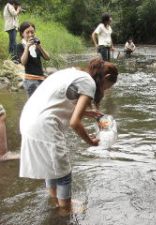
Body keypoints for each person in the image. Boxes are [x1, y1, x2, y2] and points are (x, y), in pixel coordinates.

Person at [19, 57, 118, 211]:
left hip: (29, 120)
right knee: (64, 172)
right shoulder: (89, 83)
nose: (105, 90)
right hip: (44, 126)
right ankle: (65, 209)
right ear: (106, 78)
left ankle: (55, 200)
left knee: (51, 166)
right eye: (107, 87)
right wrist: (90, 141)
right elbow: (74, 122)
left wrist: (86, 112)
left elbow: (57, 103)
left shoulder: (74, 72)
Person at [17, 21, 50, 97]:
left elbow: (47, 58)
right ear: (22, 34)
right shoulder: (20, 46)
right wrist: (27, 48)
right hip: (30, 80)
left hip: (41, 78)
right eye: (27, 32)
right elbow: (23, 62)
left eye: (32, 32)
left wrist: (40, 47)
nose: (30, 35)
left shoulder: (36, 45)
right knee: (34, 103)